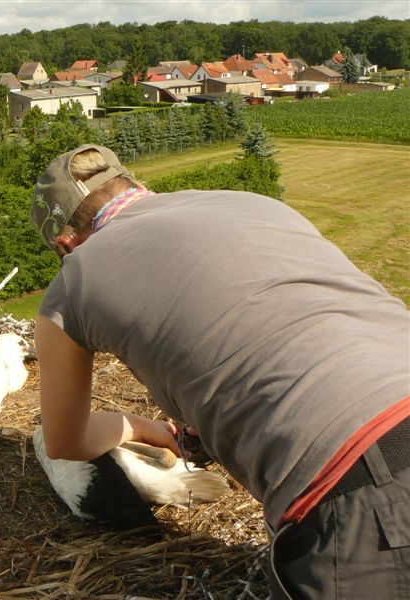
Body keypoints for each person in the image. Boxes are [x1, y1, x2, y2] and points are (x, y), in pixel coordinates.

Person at [29, 143, 410, 600]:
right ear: (136, 187)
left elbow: (65, 441)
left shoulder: (74, 280)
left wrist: (149, 430)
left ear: (66, 243)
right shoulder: (252, 203)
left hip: (364, 474)